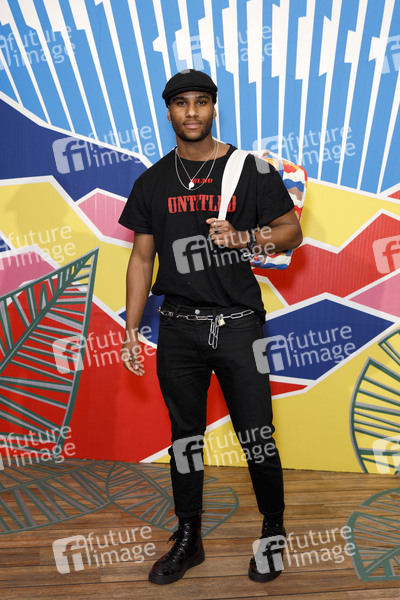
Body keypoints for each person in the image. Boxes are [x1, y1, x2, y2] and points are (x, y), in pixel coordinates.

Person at [118, 69, 302, 585]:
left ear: (214, 108)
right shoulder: (153, 180)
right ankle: (189, 537)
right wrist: (130, 328)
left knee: (257, 436)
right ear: (169, 111)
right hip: (178, 328)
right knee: (185, 439)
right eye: (182, 103)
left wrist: (243, 237)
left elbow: (291, 232)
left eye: (201, 102)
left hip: (238, 325)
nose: (192, 112)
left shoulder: (250, 170)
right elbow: (141, 259)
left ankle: (273, 531)